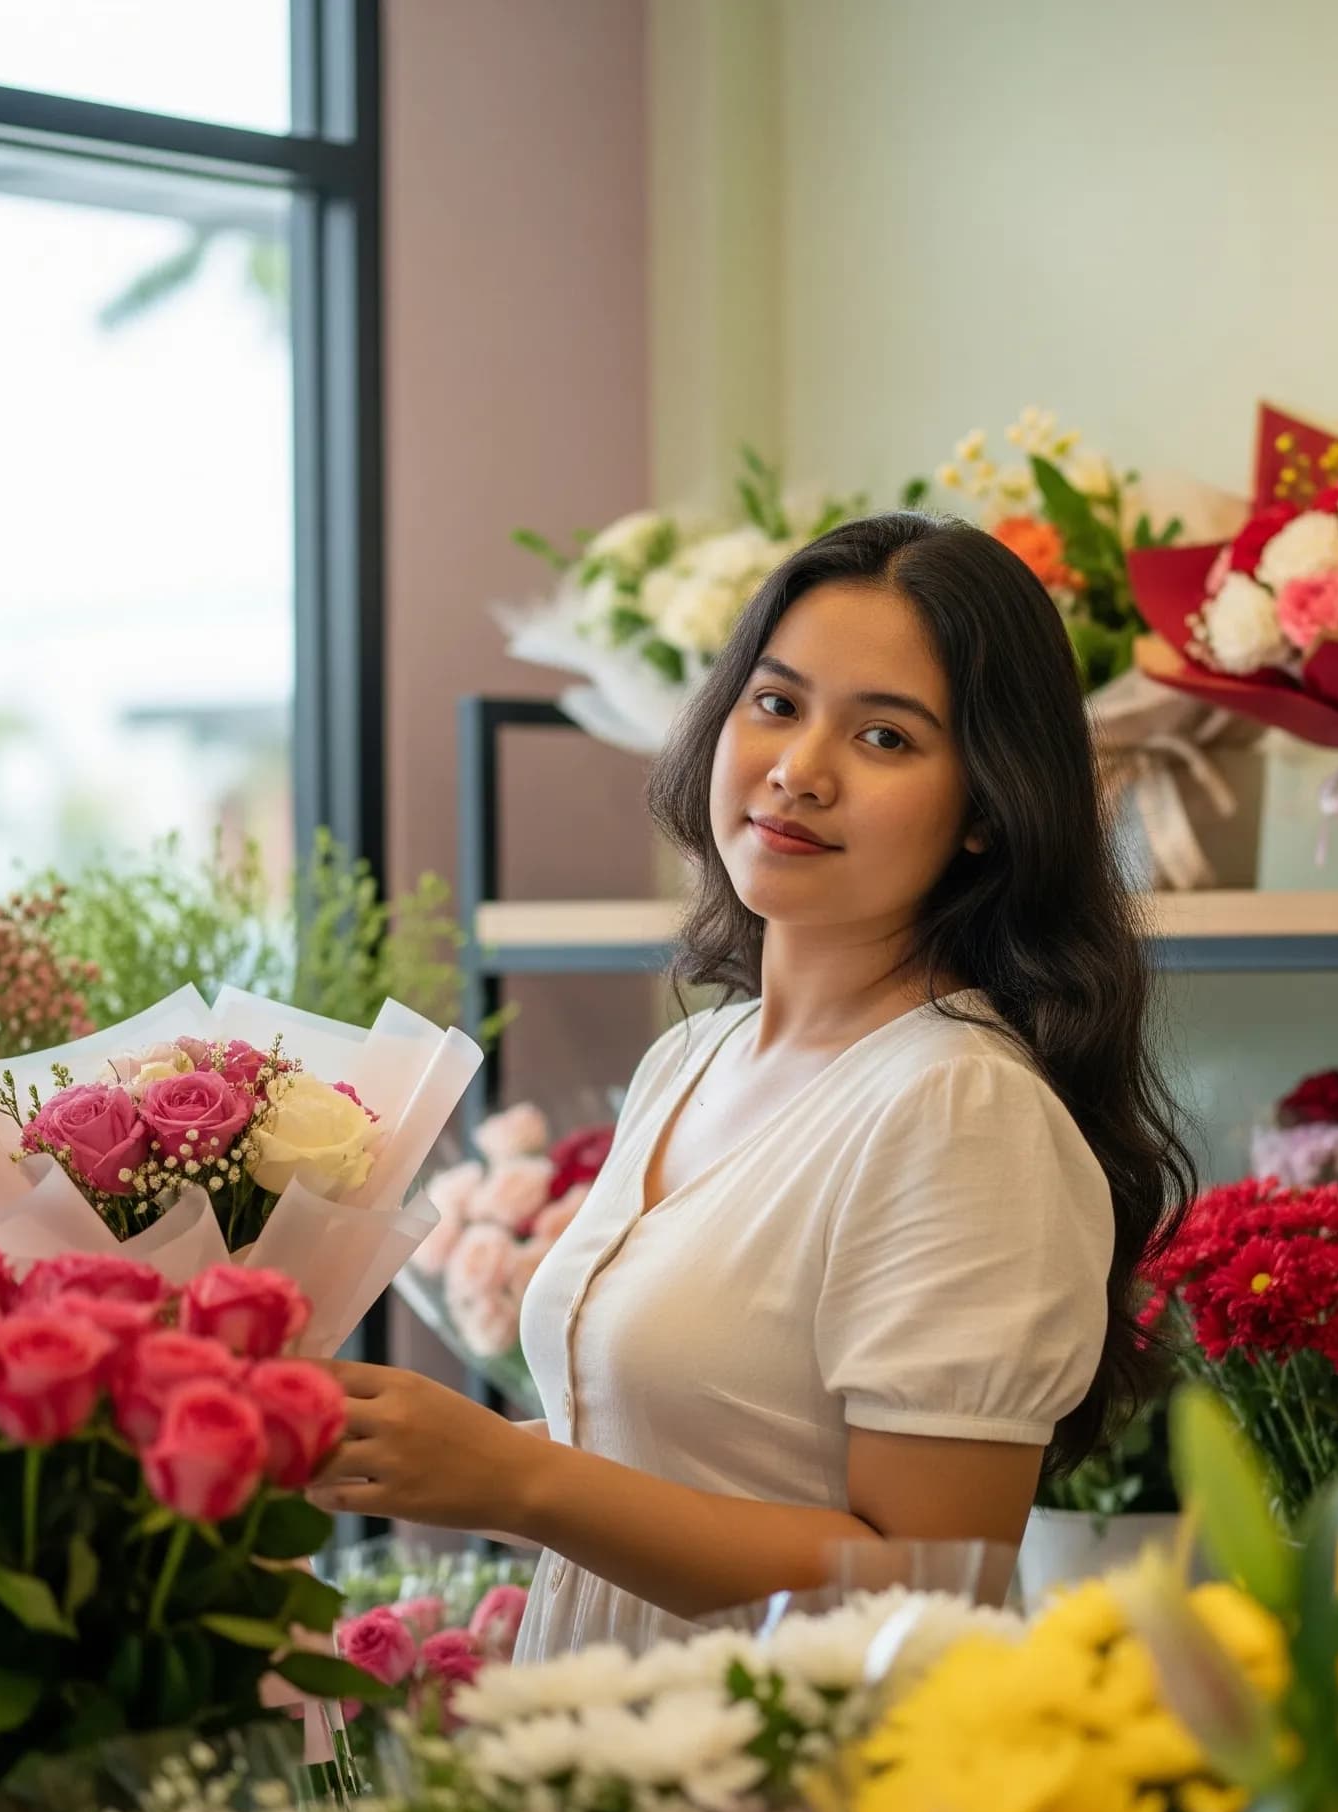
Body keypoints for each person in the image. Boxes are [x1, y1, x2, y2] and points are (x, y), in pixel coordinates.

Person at [307, 511, 1196, 1656]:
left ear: (985, 809)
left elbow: (925, 1586)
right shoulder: (695, 1054)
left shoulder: (961, 1108)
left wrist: (515, 1481)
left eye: (884, 738)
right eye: (775, 704)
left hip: (791, 1791)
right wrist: (396, 1447)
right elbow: (677, 1453)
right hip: (594, 1757)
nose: (797, 771)